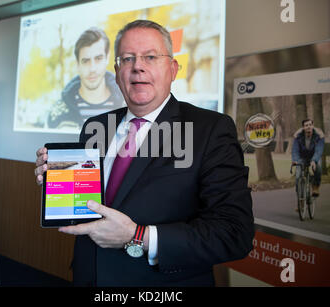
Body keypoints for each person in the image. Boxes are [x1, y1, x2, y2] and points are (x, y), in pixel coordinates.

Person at [35, 20, 254, 286]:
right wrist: (58, 183)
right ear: (117, 73)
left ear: (173, 69)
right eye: (127, 59)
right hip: (89, 276)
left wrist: (137, 235)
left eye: (150, 57)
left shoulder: (211, 130)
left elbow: (234, 234)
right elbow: (86, 203)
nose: (138, 66)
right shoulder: (96, 126)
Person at [48, 27, 124, 129]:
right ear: (77, 64)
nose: (92, 68)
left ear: (107, 58)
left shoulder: (128, 106)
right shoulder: (57, 112)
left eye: (98, 59)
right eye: (85, 61)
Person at [292, 119, 325, 197]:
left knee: (318, 167)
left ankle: (315, 187)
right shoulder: (298, 136)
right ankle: (300, 201)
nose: (308, 127)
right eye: (306, 125)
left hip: (314, 157)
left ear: (313, 126)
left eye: (310, 125)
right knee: (298, 176)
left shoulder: (319, 136)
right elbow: (295, 149)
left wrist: (314, 160)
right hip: (302, 158)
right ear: (303, 127)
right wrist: (295, 160)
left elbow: (319, 150)